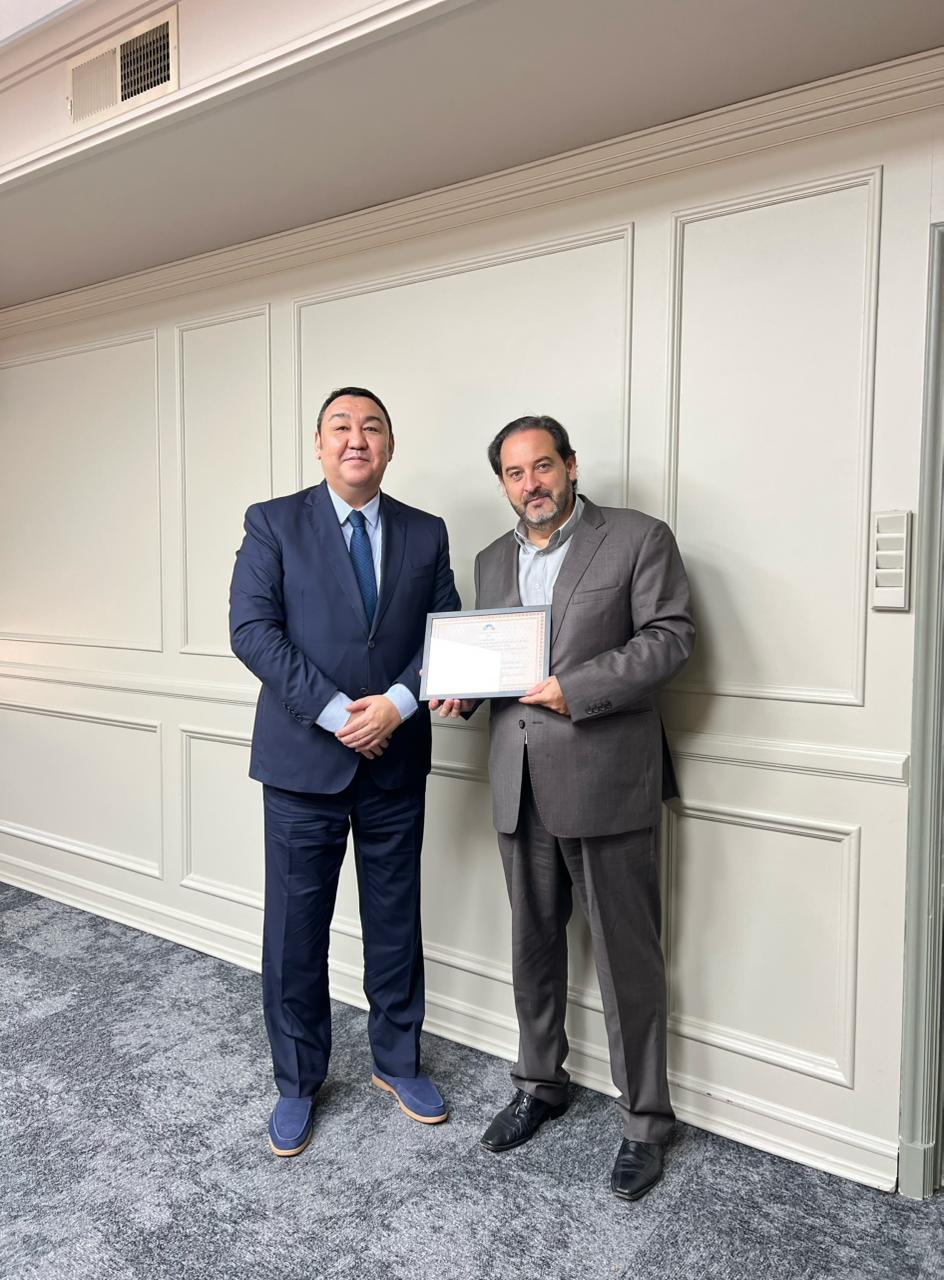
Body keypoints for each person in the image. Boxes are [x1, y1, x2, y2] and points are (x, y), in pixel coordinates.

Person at [432, 414, 694, 1202]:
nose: (531, 484)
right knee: (533, 949)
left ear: (570, 466)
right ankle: (540, 1084)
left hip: (606, 780)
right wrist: (463, 694)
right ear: (503, 484)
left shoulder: (638, 538)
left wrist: (575, 689)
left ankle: (645, 1121)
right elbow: (496, 661)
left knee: (626, 960)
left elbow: (671, 637)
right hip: (517, 782)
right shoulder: (490, 558)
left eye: (542, 467)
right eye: (515, 474)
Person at [230, 386, 460, 1157]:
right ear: (319, 444)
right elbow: (252, 631)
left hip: (396, 761)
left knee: (396, 923)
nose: (356, 438)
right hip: (303, 767)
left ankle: (398, 1063)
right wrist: (338, 714)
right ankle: (298, 1082)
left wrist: (396, 705)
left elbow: (446, 636)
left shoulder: (426, 532)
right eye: (341, 427)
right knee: (295, 933)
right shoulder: (273, 522)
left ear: (389, 447)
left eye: (372, 427)